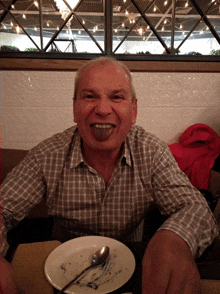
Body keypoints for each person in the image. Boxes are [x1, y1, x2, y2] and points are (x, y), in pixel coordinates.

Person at [0, 56, 219, 294]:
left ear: (133, 110)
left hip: (134, 259)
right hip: (62, 267)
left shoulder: (152, 152)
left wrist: (176, 238)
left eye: (116, 97)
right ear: (75, 108)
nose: (103, 109)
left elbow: (195, 208)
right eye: (90, 96)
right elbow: (2, 209)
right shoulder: (46, 156)